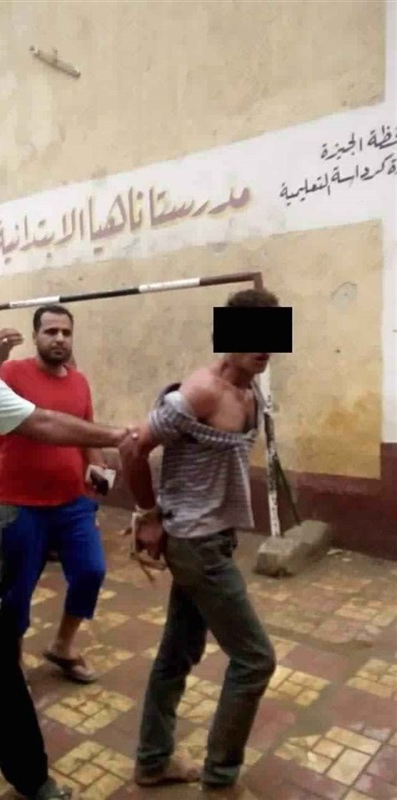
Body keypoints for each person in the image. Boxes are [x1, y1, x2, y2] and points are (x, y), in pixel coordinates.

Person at [0, 358, 133, 799]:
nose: (60, 339)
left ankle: (33, 780)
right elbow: (44, 423)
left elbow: (47, 423)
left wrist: (111, 441)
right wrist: (118, 435)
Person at [119, 288, 279, 790]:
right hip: (196, 545)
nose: (264, 346)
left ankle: (152, 761)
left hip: (214, 539)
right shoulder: (201, 391)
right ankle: (221, 776)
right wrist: (148, 515)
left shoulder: (251, 395)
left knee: (178, 654)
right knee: (255, 659)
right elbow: (133, 446)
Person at [0, 307, 113, 683]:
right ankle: (11, 661)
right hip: (21, 505)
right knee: (17, 590)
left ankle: (63, 645)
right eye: (51, 331)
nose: (59, 338)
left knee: (91, 571)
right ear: (36, 336)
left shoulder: (79, 382)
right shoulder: (13, 372)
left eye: (66, 332)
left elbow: (86, 431)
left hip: (74, 503)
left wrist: (99, 470)